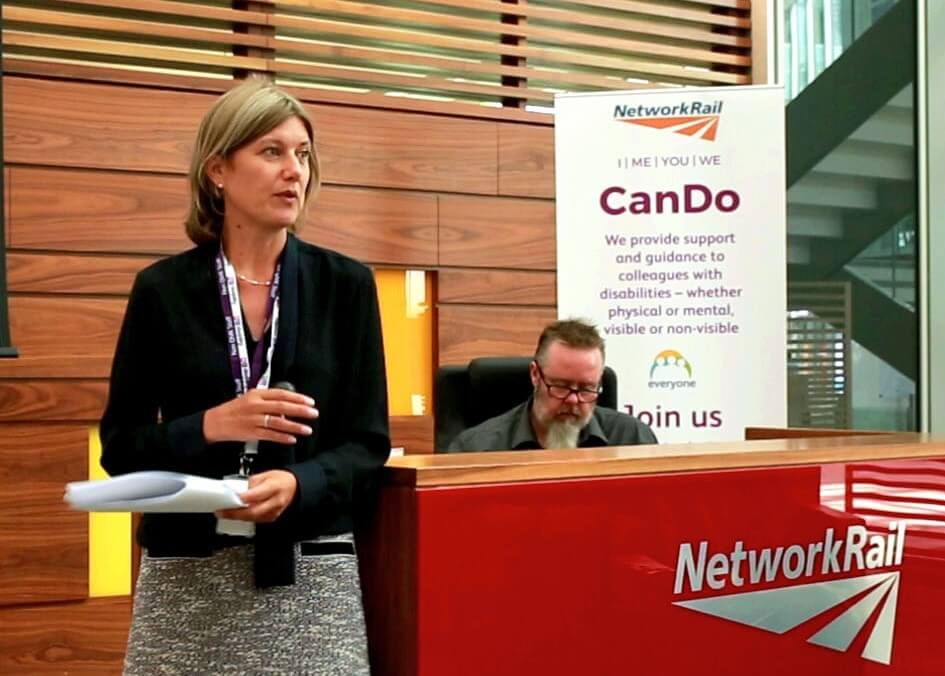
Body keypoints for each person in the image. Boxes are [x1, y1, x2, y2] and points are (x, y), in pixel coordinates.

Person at [99, 78, 389, 675]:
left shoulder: (347, 286)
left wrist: (300, 484)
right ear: (217, 171)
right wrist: (209, 425)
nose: (294, 172)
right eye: (271, 152)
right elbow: (120, 450)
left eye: (303, 154)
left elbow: (368, 444)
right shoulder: (163, 291)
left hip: (310, 572)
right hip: (187, 575)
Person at [448, 319, 656, 451]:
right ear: (535, 375)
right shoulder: (476, 448)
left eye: (586, 388)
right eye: (561, 386)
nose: (573, 399)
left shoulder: (633, 439)